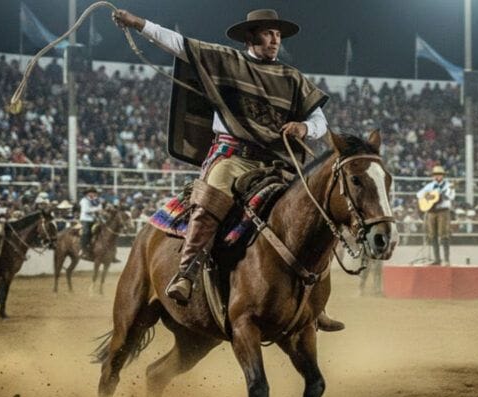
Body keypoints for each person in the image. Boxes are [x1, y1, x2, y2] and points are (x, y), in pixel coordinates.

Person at [112, 8, 344, 332]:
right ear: (251, 36)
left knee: (314, 210)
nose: (275, 40)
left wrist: (305, 127)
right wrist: (138, 23)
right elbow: (178, 44)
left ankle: (315, 304)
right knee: (212, 196)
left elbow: (320, 120)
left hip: (277, 162)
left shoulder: (292, 78)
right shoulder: (225, 60)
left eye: (278, 34)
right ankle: (187, 271)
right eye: (268, 33)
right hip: (232, 156)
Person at [416, 165, 455, 265]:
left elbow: (451, 196)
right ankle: (437, 259)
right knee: (432, 235)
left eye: (439, 174)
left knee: (444, 234)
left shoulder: (448, 185)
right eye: (435, 175)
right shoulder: (430, 186)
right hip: (431, 211)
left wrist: (444, 194)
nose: (437, 176)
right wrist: (427, 195)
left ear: (443, 175)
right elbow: (419, 194)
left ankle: (446, 259)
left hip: (443, 211)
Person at [79, 187, 102, 260]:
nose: (93, 194)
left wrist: (99, 207)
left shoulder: (95, 201)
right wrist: (97, 209)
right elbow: (86, 210)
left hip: (94, 219)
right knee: (86, 232)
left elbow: (100, 207)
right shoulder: (84, 200)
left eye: (94, 192)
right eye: (91, 192)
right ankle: (83, 249)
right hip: (85, 219)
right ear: (87, 194)